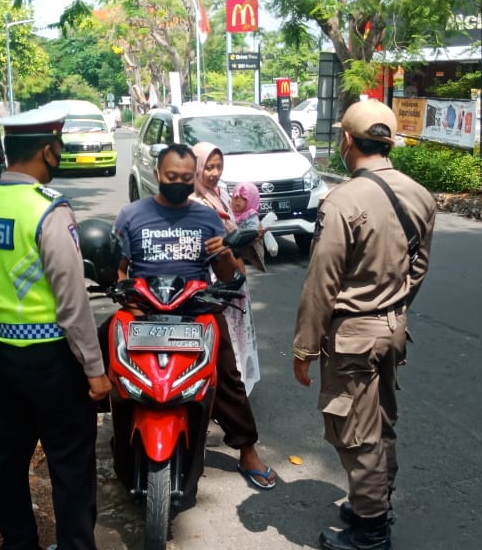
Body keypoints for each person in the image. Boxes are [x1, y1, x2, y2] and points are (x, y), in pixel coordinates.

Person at [0, 106, 111, 550]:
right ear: (47, 150)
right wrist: (94, 369)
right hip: (52, 360)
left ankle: (19, 543)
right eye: (59, 148)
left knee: (7, 456)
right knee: (70, 464)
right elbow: (72, 303)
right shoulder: (48, 211)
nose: (60, 155)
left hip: (3, 355)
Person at [292, 100, 435, 550]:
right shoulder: (420, 195)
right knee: (381, 422)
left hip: (352, 334)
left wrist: (304, 348)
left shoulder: (343, 201)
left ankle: (370, 531)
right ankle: (373, 501)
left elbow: (321, 283)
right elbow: (419, 267)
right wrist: (390, 306)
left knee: (355, 433)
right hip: (393, 327)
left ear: (348, 140)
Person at [111, 143, 277, 491]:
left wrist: (227, 254)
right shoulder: (132, 215)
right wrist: (126, 300)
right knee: (98, 360)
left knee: (228, 377)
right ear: (157, 175)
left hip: (196, 310)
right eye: (172, 176)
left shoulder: (205, 218)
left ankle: (247, 449)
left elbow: (230, 276)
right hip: (144, 312)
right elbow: (120, 269)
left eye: (187, 178)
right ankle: (103, 440)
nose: (179, 182)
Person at [189, 142, 262, 392]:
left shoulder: (218, 195)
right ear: (196, 167)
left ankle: (236, 383)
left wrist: (248, 236)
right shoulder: (194, 201)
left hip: (233, 273)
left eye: (219, 166)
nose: (215, 172)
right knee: (221, 337)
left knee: (235, 333)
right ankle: (221, 391)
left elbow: (232, 231)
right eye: (209, 167)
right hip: (214, 280)